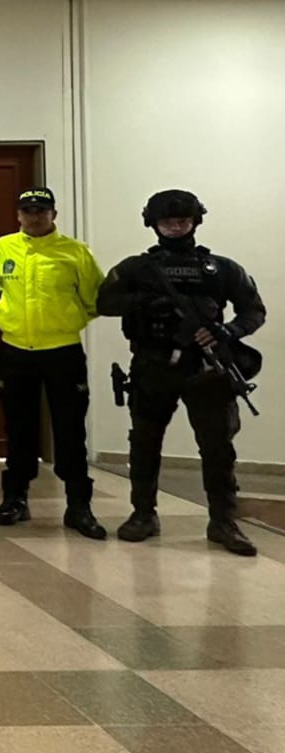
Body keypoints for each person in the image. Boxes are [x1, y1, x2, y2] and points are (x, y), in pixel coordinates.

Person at [97, 190, 267, 557]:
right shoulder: (136, 268)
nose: (175, 227)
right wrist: (145, 302)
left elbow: (253, 310)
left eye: (182, 221)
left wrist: (227, 332)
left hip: (207, 367)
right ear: (153, 224)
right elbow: (104, 302)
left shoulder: (221, 268)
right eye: (167, 222)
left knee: (218, 447)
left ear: (195, 222)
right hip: (152, 365)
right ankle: (143, 514)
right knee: (144, 442)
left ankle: (223, 520)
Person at [0, 188, 107, 539]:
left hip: (61, 352)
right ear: (18, 214)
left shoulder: (75, 252)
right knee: (18, 429)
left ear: (54, 214)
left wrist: (65, 319)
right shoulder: (4, 247)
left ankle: (79, 506)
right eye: (27, 210)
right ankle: (15, 499)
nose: (34, 216)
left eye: (42, 210)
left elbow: (95, 300)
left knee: (70, 430)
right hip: (15, 352)